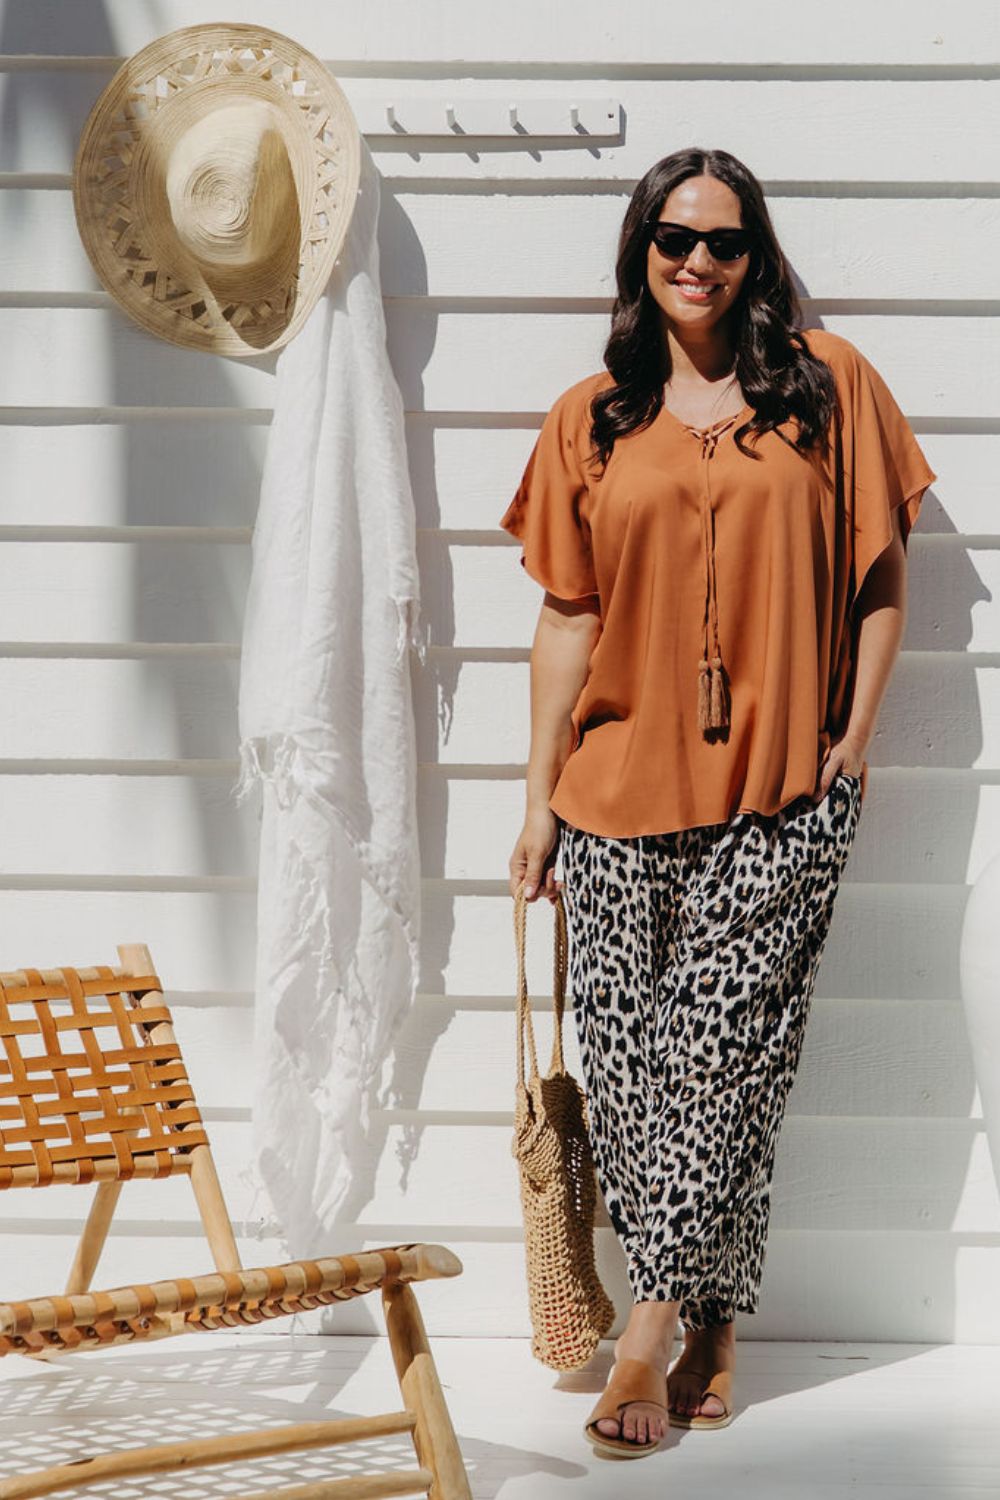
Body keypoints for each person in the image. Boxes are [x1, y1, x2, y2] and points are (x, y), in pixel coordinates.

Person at [499, 146, 936, 1458]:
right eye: (674, 237)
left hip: (781, 791)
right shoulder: (592, 418)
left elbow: (882, 575)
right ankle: (720, 1323)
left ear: (757, 256)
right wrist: (537, 801)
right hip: (613, 791)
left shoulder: (826, 386)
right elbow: (566, 618)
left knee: (721, 1053)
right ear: (641, 249)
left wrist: (853, 735)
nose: (699, 261)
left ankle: (645, 1333)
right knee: (637, 1076)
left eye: (725, 241)